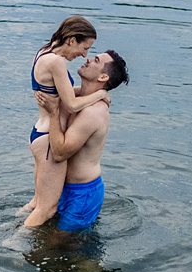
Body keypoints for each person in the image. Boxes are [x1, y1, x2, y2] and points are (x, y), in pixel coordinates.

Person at [22, 17, 109, 228]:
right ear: (71, 40)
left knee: (36, 203)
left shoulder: (44, 53)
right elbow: (70, 104)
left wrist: (92, 93)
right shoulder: (56, 62)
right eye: (84, 47)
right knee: (46, 209)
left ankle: (8, 226)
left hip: (39, 133)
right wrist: (100, 95)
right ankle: (13, 245)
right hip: (49, 141)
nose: (84, 55)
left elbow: (63, 94)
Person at [30, 50, 129, 231]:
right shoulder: (77, 100)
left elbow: (60, 154)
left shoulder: (93, 112)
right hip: (61, 186)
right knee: (45, 236)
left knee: (61, 245)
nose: (88, 59)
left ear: (103, 77)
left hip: (81, 194)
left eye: (96, 60)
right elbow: (62, 96)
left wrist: (53, 114)